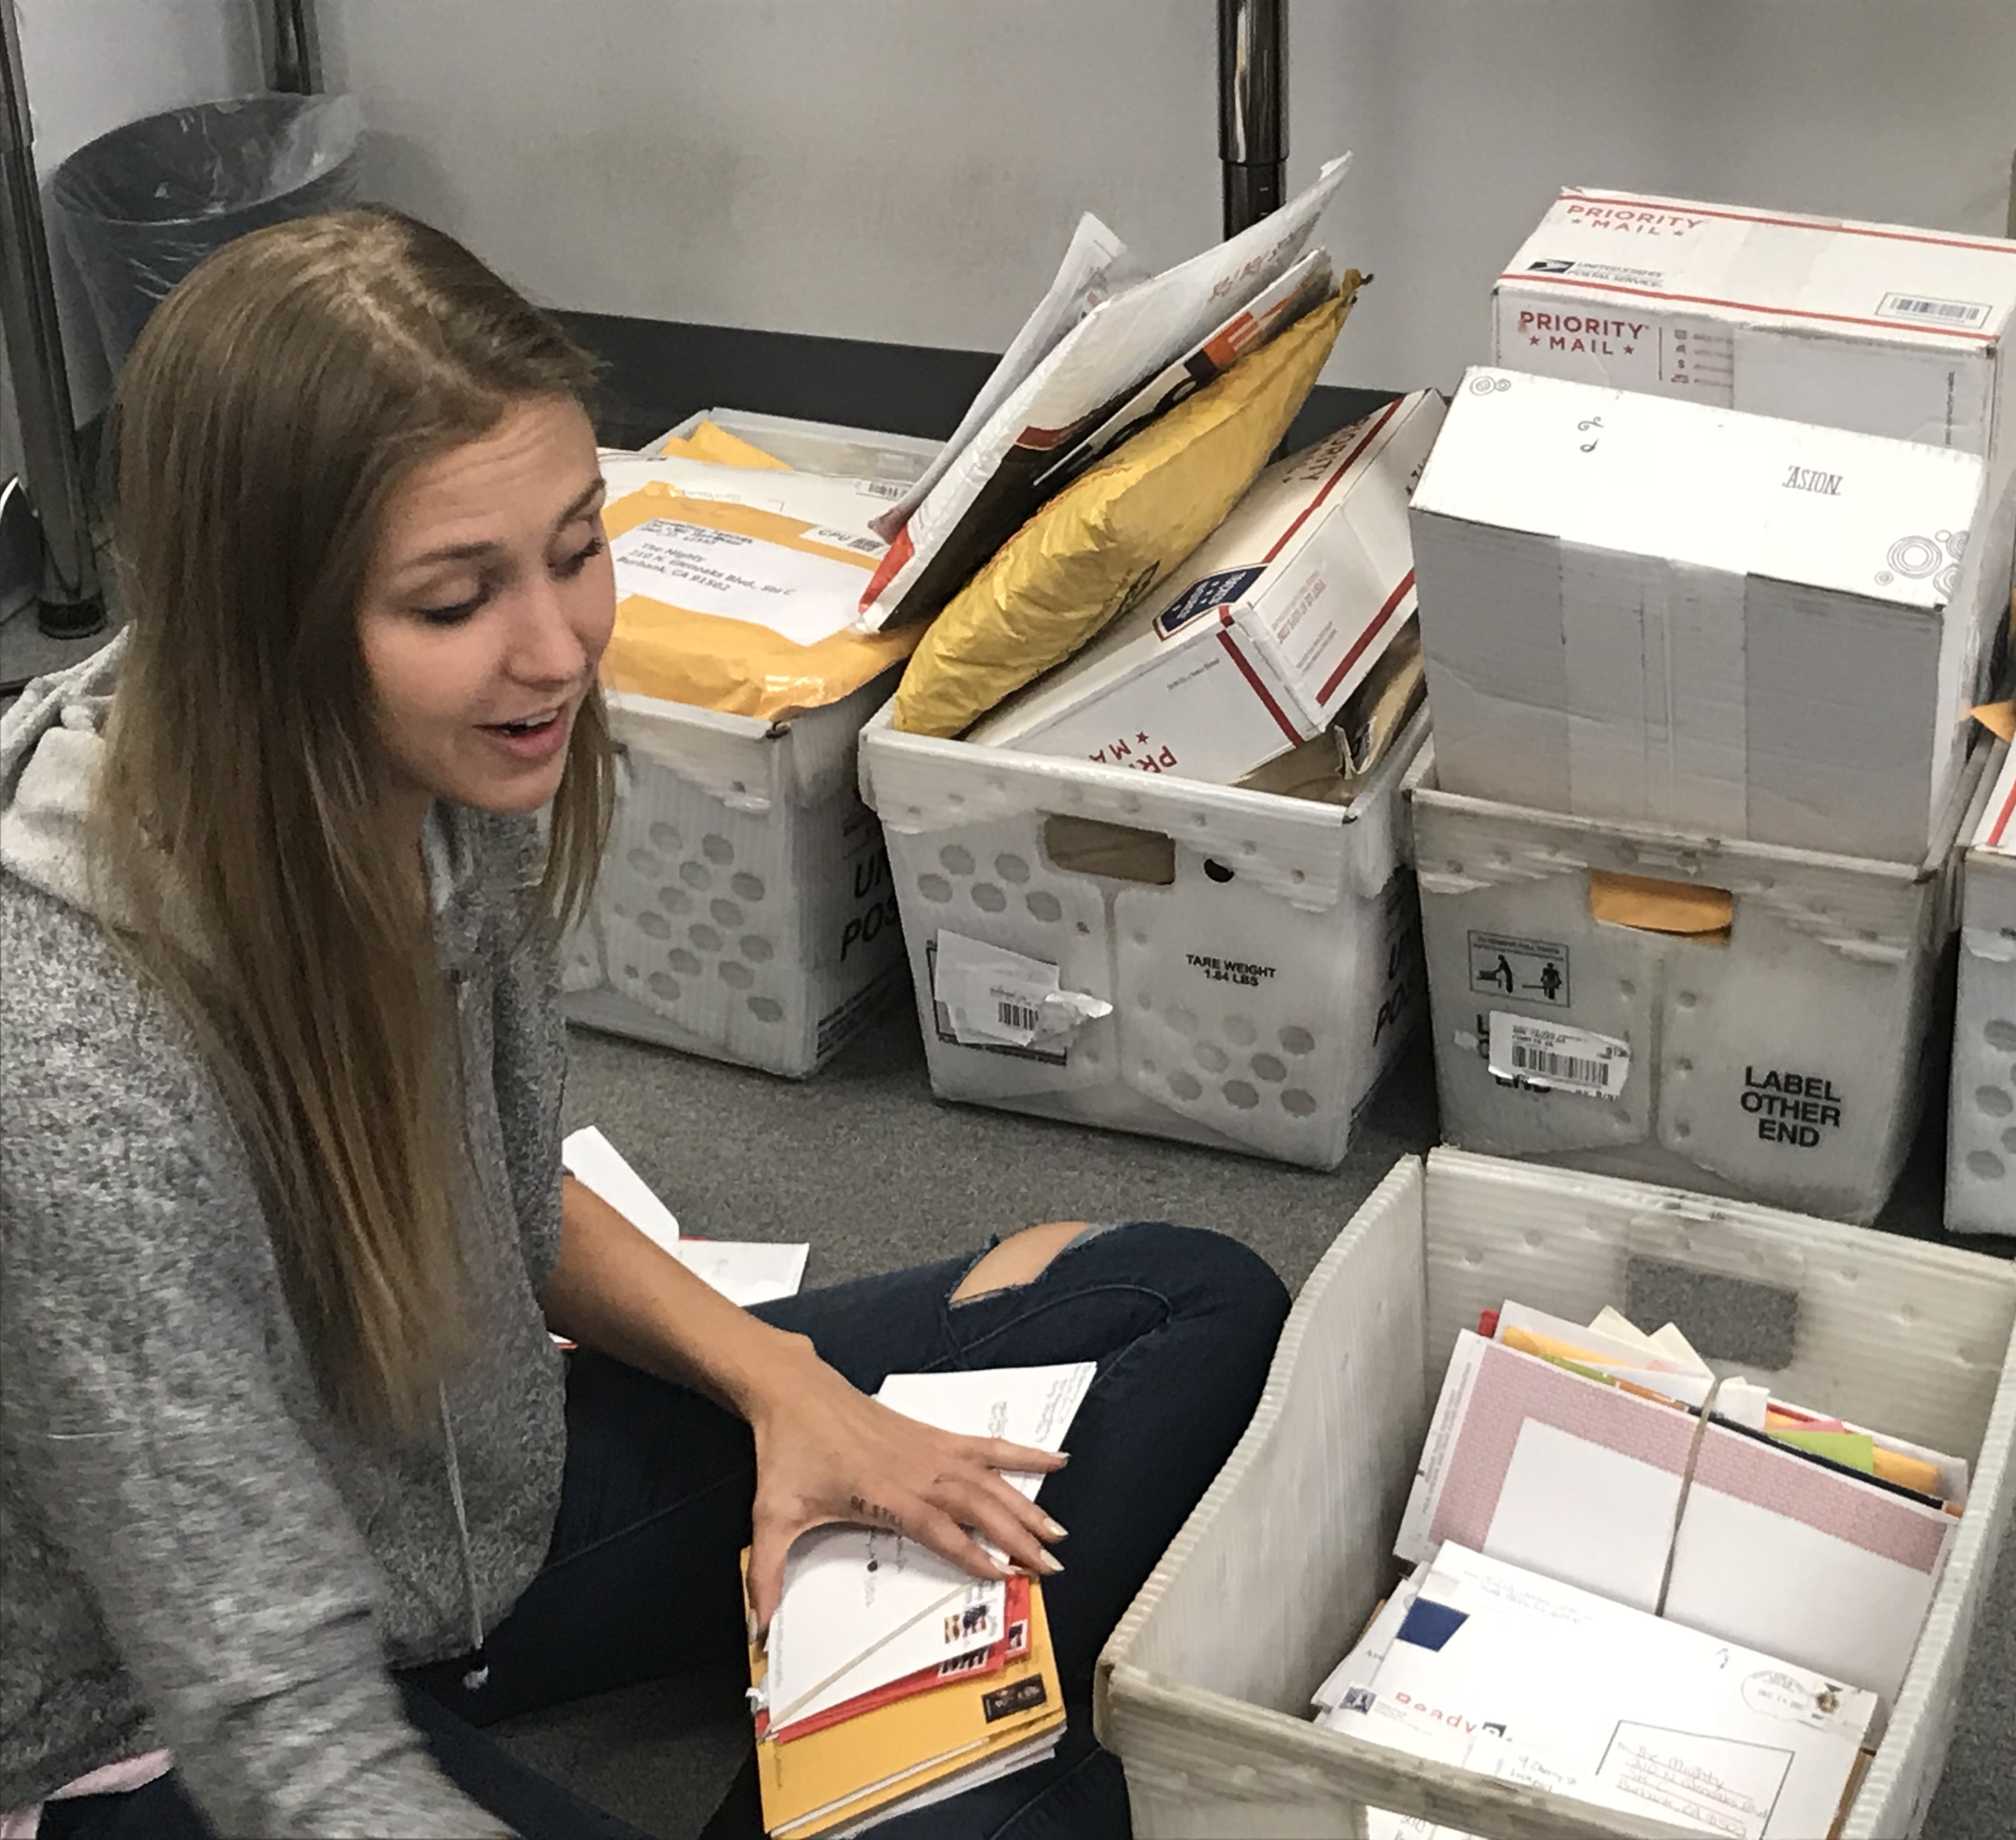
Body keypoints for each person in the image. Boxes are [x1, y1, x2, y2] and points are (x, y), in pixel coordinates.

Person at [0, 207, 1291, 1840]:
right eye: (455, 599)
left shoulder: (441, 766)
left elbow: (500, 1198)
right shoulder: (67, 1055)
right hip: (177, 1717)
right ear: (266, 630)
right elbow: (278, 1732)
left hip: (469, 1518)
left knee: (1182, 1303)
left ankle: (903, 1758)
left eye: (575, 545)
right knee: (1043, 1798)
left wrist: (780, 1387)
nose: (557, 650)